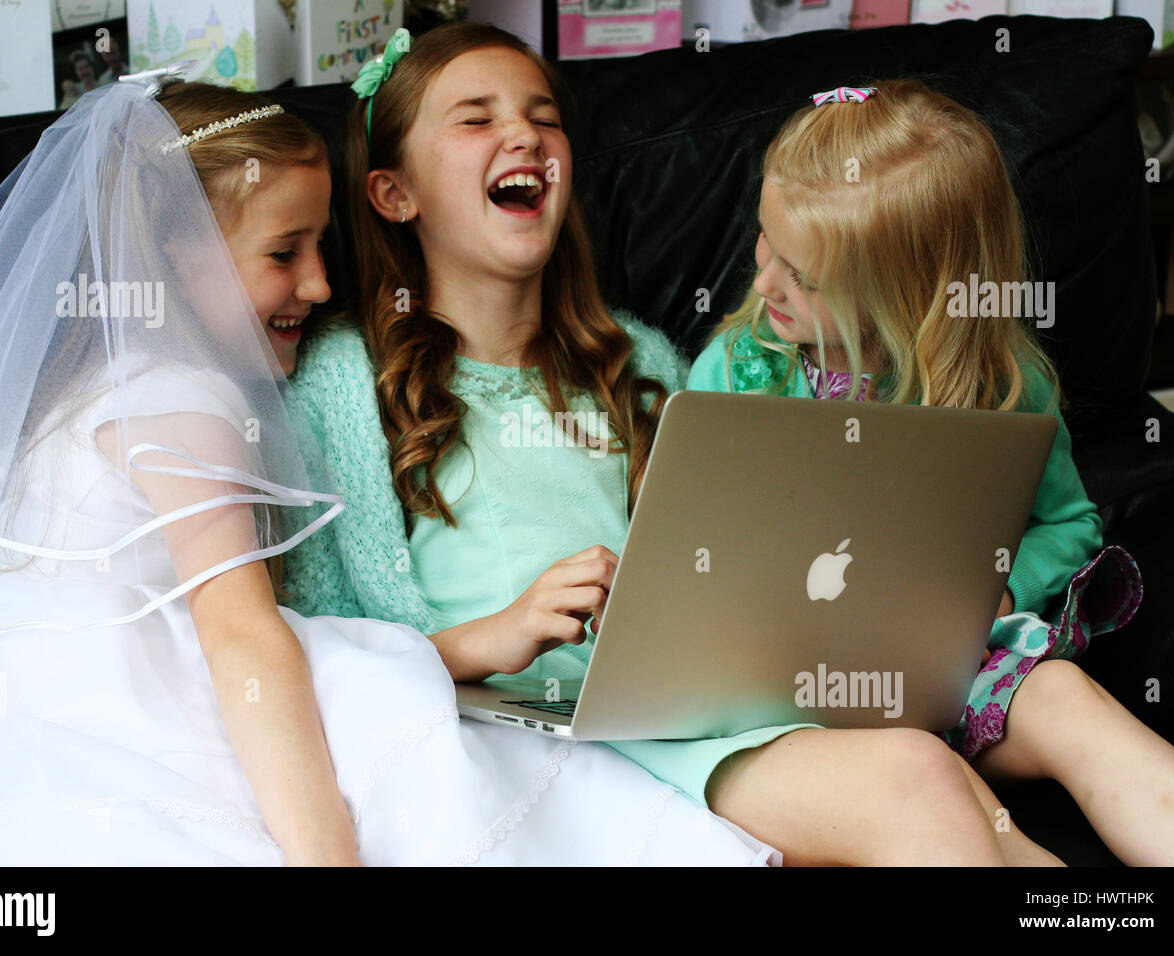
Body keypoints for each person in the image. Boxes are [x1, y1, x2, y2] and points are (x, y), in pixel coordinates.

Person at [0, 76, 774, 866]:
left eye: (323, 247)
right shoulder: (189, 404)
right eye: (285, 253)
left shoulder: (80, 391)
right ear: (173, 253)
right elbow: (244, 637)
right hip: (133, 708)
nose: (321, 285)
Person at [283, 23, 1055, 865]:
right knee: (915, 776)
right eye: (475, 119)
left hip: (684, 713)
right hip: (517, 728)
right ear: (394, 194)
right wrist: (488, 636)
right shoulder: (344, 382)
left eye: (545, 116)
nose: (525, 135)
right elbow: (322, 655)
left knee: (980, 813)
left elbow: (736, 562)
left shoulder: (641, 362)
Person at [687, 79, 1174, 865]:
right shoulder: (736, 368)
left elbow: (1070, 524)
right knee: (955, 807)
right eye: (765, 241)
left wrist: (997, 583)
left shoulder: (1005, 387)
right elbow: (684, 537)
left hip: (944, 670)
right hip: (784, 695)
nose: (763, 284)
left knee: (1064, 697)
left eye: (806, 278)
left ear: (913, 295)